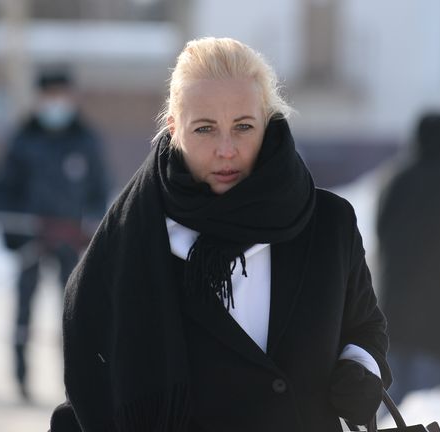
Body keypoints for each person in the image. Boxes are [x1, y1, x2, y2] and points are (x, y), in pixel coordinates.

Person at [49, 37, 391, 432]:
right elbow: (92, 385)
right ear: (174, 130)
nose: (226, 149)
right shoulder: (132, 239)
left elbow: (365, 327)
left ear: (267, 122)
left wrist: (360, 368)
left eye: (243, 127)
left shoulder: (330, 224)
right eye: (205, 129)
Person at [0, 68, 108, 400]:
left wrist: (90, 231)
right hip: (30, 240)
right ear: (39, 98)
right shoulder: (22, 138)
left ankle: (75, 383)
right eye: (50, 96)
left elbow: (98, 192)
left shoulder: (86, 139)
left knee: (73, 312)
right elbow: (5, 190)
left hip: (71, 242)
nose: (57, 103)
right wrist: (17, 232)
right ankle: (20, 377)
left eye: (63, 95)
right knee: (23, 308)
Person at [376, 112, 440, 404]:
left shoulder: (397, 180)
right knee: (428, 405)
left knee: (391, 403)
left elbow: (381, 233)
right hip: (437, 311)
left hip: (395, 305)